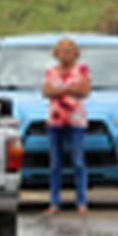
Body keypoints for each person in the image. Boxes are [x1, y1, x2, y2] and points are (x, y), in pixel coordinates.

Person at [41, 37, 92, 214]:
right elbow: (46, 91)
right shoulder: (51, 71)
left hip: (76, 121)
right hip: (55, 121)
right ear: (56, 53)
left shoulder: (82, 70)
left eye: (69, 50)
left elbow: (84, 91)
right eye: (62, 50)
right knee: (55, 163)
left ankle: (81, 201)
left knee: (78, 161)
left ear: (76, 53)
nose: (65, 54)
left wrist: (60, 91)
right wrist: (69, 89)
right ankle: (54, 202)